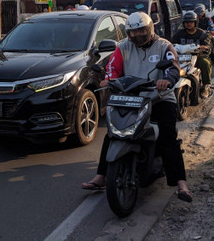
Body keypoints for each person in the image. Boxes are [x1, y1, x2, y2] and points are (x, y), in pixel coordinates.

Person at [81, 12, 192, 203]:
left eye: (141, 30)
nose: (137, 36)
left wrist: (167, 80)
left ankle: (181, 183)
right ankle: (101, 176)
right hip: (131, 98)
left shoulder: (164, 46)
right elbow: (112, 68)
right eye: (133, 32)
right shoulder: (123, 47)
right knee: (113, 133)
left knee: (168, 137)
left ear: (150, 29)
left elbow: (173, 67)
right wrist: (108, 79)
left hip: (159, 98)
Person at [172, 11, 213, 98]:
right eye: (186, 22)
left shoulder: (202, 33)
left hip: (197, 57)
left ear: (195, 22)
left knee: (205, 63)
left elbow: (208, 45)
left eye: (191, 22)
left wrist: (203, 47)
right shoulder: (179, 33)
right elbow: (172, 43)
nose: (188, 24)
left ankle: (206, 85)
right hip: (181, 58)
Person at [194, 4, 214, 76]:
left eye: (199, 14)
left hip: (205, 38)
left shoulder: (208, 20)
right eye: (197, 14)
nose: (198, 16)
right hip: (194, 39)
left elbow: (212, 27)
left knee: (212, 51)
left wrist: (211, 32)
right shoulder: (193, 20)